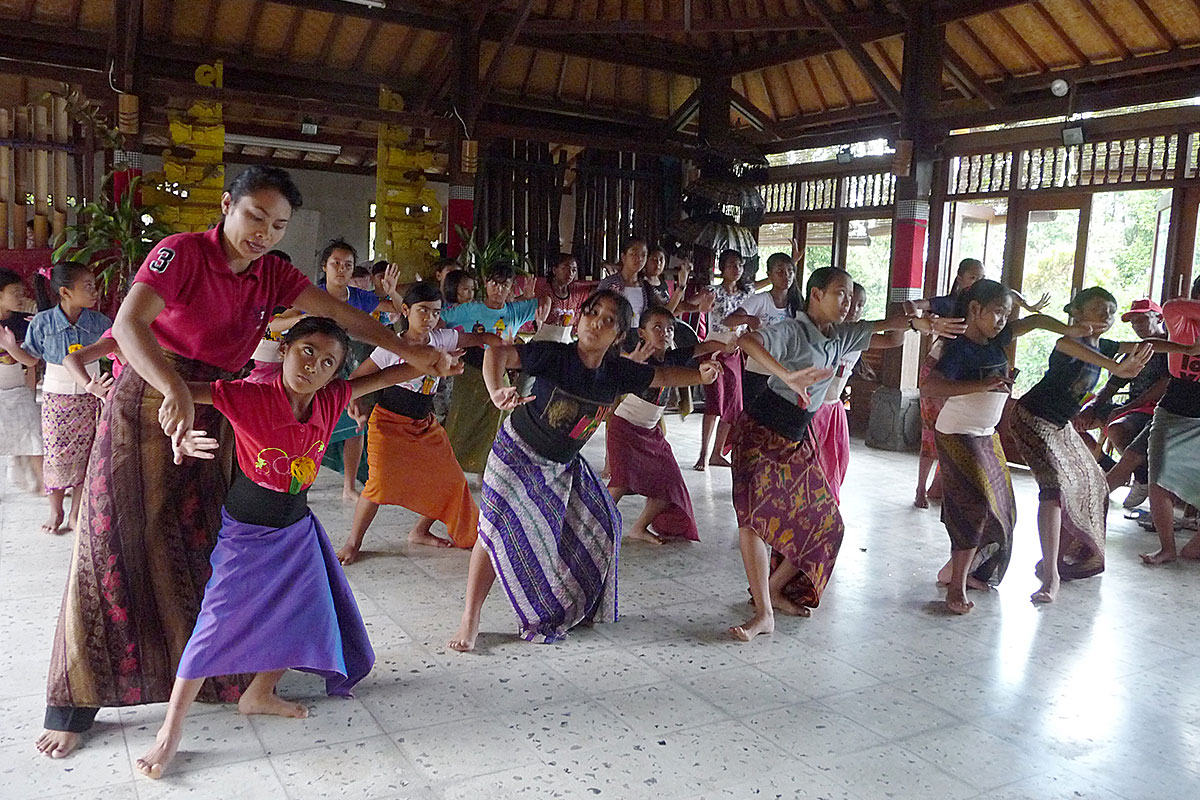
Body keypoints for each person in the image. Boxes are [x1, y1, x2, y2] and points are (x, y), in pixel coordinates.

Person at [36, 165, 454, 759]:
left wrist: (410, 349)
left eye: (278, 224)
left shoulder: (273, 275)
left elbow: (345, 320)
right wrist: (172, 388)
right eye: (255, 216)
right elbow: (129, 325)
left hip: (222, 405)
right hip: (147, 403)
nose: (264, 232)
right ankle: (74, 700)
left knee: (207, 542)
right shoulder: (180, 253)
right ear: (228, 205)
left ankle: (223, 674)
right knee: (115, 540)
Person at [133, 317, 416, 779]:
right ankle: (169, 731)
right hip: (247, 534)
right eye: (307, 351)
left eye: (328, 362)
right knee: (213, 626)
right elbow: (182, 388)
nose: (314, 366)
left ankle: (259, 693)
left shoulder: (332, 399)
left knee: (305, 614)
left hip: (298, 529)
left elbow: (388, 374)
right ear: (283, 349)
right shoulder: (249, 395)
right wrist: (172, 416)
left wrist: (436, 363)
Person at [446, 290, 718, 651]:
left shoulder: (617, 371)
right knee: (494, 529)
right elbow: (497, 352)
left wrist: (700, 376)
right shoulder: (555, 355)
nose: (595, 323)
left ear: (620, 336)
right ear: (578, 319)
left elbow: (663, 377)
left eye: (608, 320)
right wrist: (497, 389)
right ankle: (470, 618)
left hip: (562, 465)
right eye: (591, 313)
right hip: (516, 453)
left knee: (604, 522)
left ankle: (576, 603)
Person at [728, 267, 966, 641]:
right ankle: (763, 613)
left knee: (827, 525)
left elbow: (887, 329)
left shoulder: (840, 334)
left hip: (795, 437)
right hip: (759, 431)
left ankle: (772, 590)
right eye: (840, 293)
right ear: (816, 295)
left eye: (851, 295)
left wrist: (920, 324)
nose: (847, 301)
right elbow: (750, 343)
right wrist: (788, 376)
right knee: (752, 521)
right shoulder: (793, 330)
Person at [920, 280, 1094, 614]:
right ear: (975, 309)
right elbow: (929, 386)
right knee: (975, 508)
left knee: (1004, 512)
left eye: (1006, 313)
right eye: (997, 312)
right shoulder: (956, 346)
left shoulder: (1000, 337)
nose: (1003, 320)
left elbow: (1039, 321)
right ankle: (955, 588)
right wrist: (982, 384)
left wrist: (1070, 328)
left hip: (987, 435)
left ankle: (958, 571)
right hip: (957, 433)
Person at [1009, 287, 1167, 603]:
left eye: (1111, 310)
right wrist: (1115, 368)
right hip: (1032, 417)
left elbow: (1148, 345)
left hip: (1060, 425)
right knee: (1053, 489)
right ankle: (1050, 576)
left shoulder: (1105, 344)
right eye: (1098, 308)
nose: (1107, 315)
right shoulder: (1070, 342)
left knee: (1096, 484)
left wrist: (1189, 349)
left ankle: (1054, 560)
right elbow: (1065, 343)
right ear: (1077, 313)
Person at [337, 282, 500, 562]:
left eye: (435, 312)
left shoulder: (443, 339)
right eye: (422, 311)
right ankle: (353, 543)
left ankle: (419, 531)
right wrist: (356, 404)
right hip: (386, 425)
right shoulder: (392, 347)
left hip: (425, 425)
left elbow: (478, 339)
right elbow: (356, 380)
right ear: (405, 311)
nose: (429, 318)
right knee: (378, 485)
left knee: (453, 481)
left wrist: (499, 343)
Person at [910, 259, 1051, 508]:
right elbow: (910, 307)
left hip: (978, 417)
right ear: (960, 278)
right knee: (932, 436)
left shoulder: (991, 326)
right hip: (943, 368)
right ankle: (921, 489)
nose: (977, 281)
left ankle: (937, 487)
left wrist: (1027, 305)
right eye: (973, 277)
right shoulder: (948, 304)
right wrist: (923, 322)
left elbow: (1015, 301)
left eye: (981, 276)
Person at [0, 263, 111, 534]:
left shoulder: (100, 323)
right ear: (65, 292)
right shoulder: (43, 322)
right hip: (56, 399)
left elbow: (115, 352)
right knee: (56, 456)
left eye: (93, 285)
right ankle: (56, 510)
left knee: (88, 455)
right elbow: (32, 360)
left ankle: (75, 513)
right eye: (87, 286)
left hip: (91, 398)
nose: (94, 291)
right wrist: (10, 348)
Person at [607, 306, 727, 544]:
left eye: (670, 328)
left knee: (669, 486)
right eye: (657, 328)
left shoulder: (673, 357)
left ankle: (638, 528)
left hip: (650, 431)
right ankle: (593, 525)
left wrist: (730, 342)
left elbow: (704, 347)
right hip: (624, 428)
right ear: (642, 333)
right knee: (620, 484)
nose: (665, 333)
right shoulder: (635, 356)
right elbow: (614, 363)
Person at [299, 239, 403, 502]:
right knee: (312, 427)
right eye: (336, 264)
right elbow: (285, 324)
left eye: (348, 265)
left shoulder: (359, 297)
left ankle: (349, 486)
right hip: (318, 370)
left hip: (351, 366)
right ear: (325, 266)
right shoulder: (313, 296)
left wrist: (391, 291)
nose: (342, 269)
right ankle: (302, 483)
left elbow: (398, 309)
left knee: (355, 426)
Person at [441, 263, 548, 474]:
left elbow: (545, 301)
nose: (498, 290)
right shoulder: (470, 309)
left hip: (500, 371)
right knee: (461, 419)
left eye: (504, 285)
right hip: (470, 370)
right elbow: (441, 319)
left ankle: (488, 470)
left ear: (510, 288)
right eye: (494, 284)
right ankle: (449, 466)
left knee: (499, 421)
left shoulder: (515, 311)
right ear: (485, 284)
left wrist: (530, 301)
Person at [1076, 299, 1170, 505]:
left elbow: (1165, 385)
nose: (1138, 326)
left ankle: (1142, 477)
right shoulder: (1133, 350)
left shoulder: (1169, 348)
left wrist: (1127, 408)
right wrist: (1092, 406)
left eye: (1143, 319)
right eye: (1134, 322)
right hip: (1131, 408)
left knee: (1117, 428)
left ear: (1160, 318)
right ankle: (1113, 469)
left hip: (1157, 410)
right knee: (1071, 423)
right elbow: (1111, 386)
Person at [1140, 278, 1200, 565]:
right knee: (1158, 477)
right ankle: (1167, 547)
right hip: (1174, 410)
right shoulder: (1179, 317)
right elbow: (1171, 305)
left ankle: (1194, 546)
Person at [808, 281, 867, 502]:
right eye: (848, 301)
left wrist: (909, 316)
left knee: (836, 463)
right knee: (808, 463)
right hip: (811, 409)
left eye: (860, 305)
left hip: (834, 411)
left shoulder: (858, 338)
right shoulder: (821, 332)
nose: (853, 309)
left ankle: (825, 507)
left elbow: (891, 339)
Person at [693, 248, 752, 471]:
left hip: (735, 352)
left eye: (739, 265)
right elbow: (693, 303)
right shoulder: (713, 291)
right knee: (713, 404)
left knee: (731, 404)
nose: (736, 269)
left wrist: (793, 262)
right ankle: (703, 453)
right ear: (722, 269)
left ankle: (717, 453)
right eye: (731, 265)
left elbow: (766, 284)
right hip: (714, 350)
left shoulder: (746, 293)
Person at [727, 253, 803, 409]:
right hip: (758, 372)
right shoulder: (760, 300)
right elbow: (729, 320)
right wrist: (748, 319)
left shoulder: (798, 304)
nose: (786, 276)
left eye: (790, 271)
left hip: (785, 373)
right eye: (780, 271)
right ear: (769, 275)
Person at [0, 268, 43, 493]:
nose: (21, 297)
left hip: (18, 386)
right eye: (15, 292)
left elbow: (31, 362)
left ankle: (43, 482)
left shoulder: (24, 322)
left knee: (33, 433)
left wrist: (30, 391)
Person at [532, 253, 593, 343]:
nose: (570, 273)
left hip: (567, 342)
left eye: (574, 270)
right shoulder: (546, 290)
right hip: (545, 341)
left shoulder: (575, 290)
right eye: (565, 268)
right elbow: (541, 314)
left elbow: (598, 288)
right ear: (554, 270)